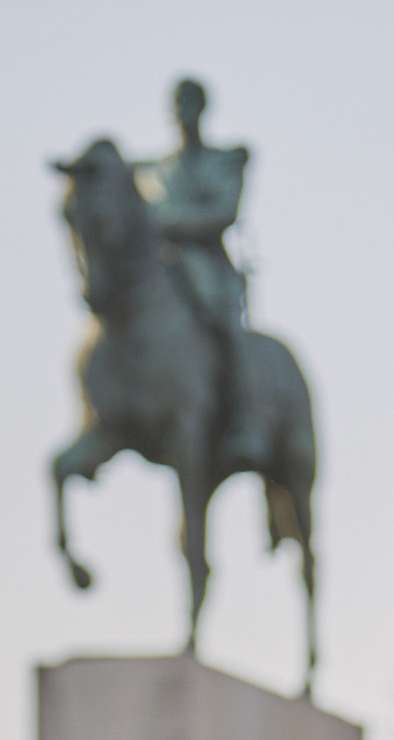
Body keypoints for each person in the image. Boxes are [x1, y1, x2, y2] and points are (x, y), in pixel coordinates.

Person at [134, 76, 269, 470]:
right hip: (162, 269)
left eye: (188, 105)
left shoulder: (223, 162)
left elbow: (225, 213)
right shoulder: (152, 169)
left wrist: (172, 223)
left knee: (227, 327)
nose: (181, 114)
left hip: (208, 266)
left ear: (202, 110)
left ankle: (246, 418)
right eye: (175, 106)